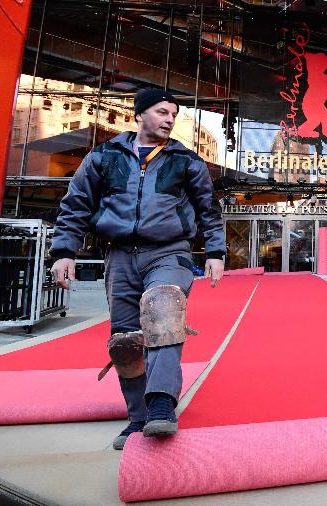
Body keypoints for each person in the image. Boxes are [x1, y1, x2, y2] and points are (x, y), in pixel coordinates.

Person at [48, 88, 226, 450]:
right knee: (126, 340)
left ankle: (161, 401)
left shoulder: (185, 160)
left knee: (163, 308)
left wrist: (216, 251)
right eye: (162, 112)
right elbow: (76, 204)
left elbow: (208, 208)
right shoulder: (104, 156)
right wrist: (64, 252)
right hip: (120, 255)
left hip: (169, 252)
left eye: (173, 115)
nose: (169, 120)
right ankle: (137, 418)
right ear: (140, 114)